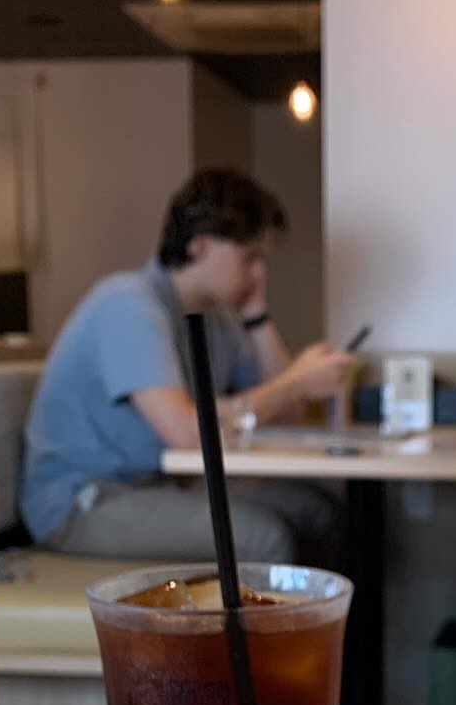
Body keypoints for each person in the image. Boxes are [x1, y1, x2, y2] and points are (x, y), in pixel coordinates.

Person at [19, 168, 356, 562]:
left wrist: (258, 317)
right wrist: (294, 382)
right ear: (200, 247)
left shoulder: (215, 318)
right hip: (84, 499)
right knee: (264, 537)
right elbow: (186, 434)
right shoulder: (127, 304)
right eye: (250, 258)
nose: (259, 274)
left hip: (158, 484)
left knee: (318, 511)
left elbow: (287, 416)